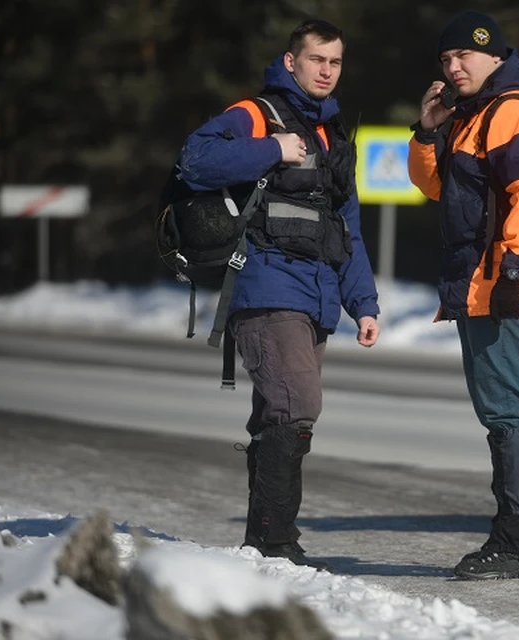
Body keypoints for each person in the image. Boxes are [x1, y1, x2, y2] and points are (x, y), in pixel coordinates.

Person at [177, 19, 380, 566]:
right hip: (265, 281)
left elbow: (347, 227)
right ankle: (276, 540)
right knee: (297, 403)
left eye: (335, 62)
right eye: (316, 59)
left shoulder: (334, 135)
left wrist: (363, 302)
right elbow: (194, 160)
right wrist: (270, 148)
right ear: (291, 61)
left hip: (316, 291)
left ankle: (261, 541)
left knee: (278, 411)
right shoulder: (255, 114)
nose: (326, 71)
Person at [408, 11, 519, 579]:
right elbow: (434, 187)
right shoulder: (470, 116)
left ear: (495, 57)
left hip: (506, 286)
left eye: (465, 57)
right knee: (501, 410)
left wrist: (516, 265)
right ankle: (517, 536)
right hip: (482, 285)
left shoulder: (512, 109)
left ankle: (518, 539)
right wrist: (427, 132)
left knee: (509, 409)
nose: (454, 68)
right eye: (446, 60)